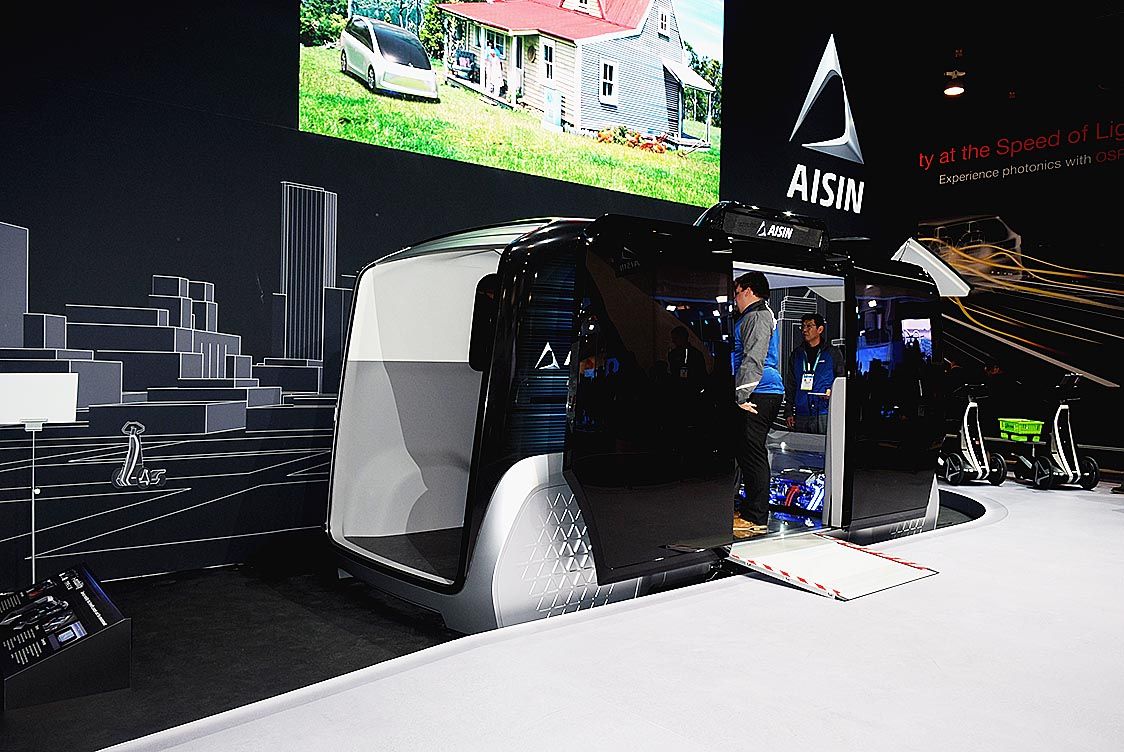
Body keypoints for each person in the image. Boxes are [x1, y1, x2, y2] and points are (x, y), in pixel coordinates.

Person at [732, 272, 785, 537]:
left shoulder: (758, 316)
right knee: (746, 453)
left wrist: (741, 396)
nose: (735, 298)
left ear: (748, 291)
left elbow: (753, 358)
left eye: (737, 292)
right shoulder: (754, 316)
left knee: (753, 454)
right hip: (758, 390)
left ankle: (756, 518)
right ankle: (749, 511)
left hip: (760, 391)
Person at [784, 313, 845, 434]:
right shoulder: (797, 354)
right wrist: (789, 412)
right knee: (802, 445)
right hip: (801, 412)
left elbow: (841, 380)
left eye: (809, 326)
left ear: (820, 329)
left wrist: (832, 394)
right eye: (803, 326)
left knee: (825, 444)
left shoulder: (832, 353)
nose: (804, 330)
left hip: (824, 412)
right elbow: (791, 385)